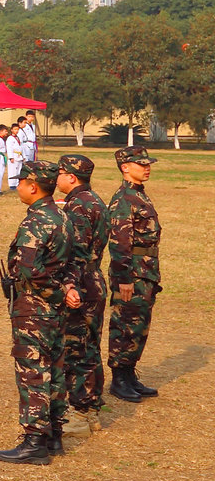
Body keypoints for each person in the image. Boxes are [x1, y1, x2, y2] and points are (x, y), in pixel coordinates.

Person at [0, 161, 83, 465]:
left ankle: (34, 441)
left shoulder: (35, 222)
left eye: (20, 181)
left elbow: (30, 270)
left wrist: (59, 291)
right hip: (55, 310)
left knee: (33, 372)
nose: (18, 186)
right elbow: (73, 261)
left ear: (32, 186)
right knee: (55, 370)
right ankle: (54, 435)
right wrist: (68, 289)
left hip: (34, 308)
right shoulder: (63, 216)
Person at [106, 146, 162, 403]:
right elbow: (119, 242)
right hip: (132, 272)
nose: (147, 167)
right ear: (125, 167)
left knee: (139, 324)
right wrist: (123, 279)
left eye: (148, 163)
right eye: (141, 164)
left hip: (145, 270)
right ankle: (119, 379)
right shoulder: (123, 199)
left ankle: (129, 374)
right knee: (125, 324)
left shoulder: (139, 195)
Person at [55, 154, 108, 422]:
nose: (56, 178)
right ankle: (91, 404)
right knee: (89, 344)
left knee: (77, 347)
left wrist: (68, 285)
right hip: (93, 277)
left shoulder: (78, 207)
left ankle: (81, 410)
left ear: (71, 177)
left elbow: (75, 251)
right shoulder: (92, 199)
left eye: (60, 173)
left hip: (81, 282)